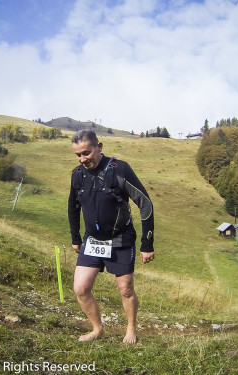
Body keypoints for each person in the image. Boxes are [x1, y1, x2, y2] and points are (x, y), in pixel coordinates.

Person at [68, 129, 155, 344]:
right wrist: (75, 238)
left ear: (100, 146)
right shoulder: (77, 174)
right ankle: (98, 329)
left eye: (86, 153)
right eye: (78, 155)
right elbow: (73, 206)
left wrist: (147, 243)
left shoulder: (120, 169)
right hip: (92, 240)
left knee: (125, 290)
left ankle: (131, 329)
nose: (82, 159)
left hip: (121, 239)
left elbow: (145, 203)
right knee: (80, 288)